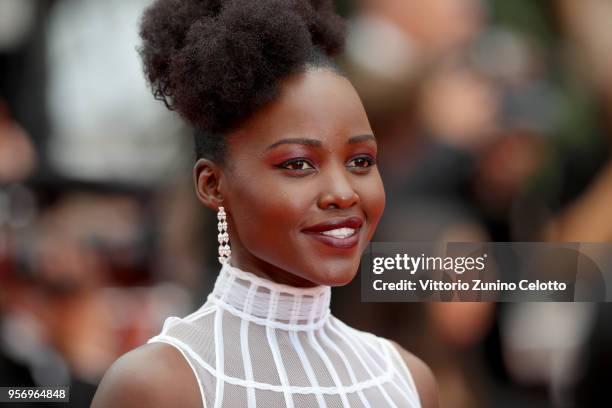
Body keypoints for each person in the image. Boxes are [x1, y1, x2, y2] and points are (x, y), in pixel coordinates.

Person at [91, 0, 438, 406]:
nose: (343, 192)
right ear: (212, 185)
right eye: (297, 164)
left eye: (360, 161)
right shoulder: (158, 385)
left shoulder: (406, 380)